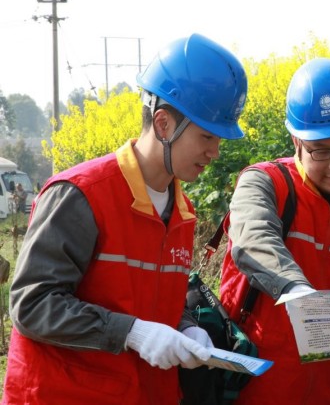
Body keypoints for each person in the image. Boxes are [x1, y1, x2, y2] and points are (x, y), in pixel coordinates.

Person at [2, 33, 248, 405]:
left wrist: (186, 327)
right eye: (207, 137)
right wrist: (132, 332)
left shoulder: (183, 213)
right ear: (164, 124)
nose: (214, 152)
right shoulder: (81, 195)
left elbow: (150, 298)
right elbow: (32, 305)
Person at [218, 57, 330, 405]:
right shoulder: (267, 184)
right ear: (296, 142)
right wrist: (295, 289)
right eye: (320, 151)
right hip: (251, 391)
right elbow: (253, 238)